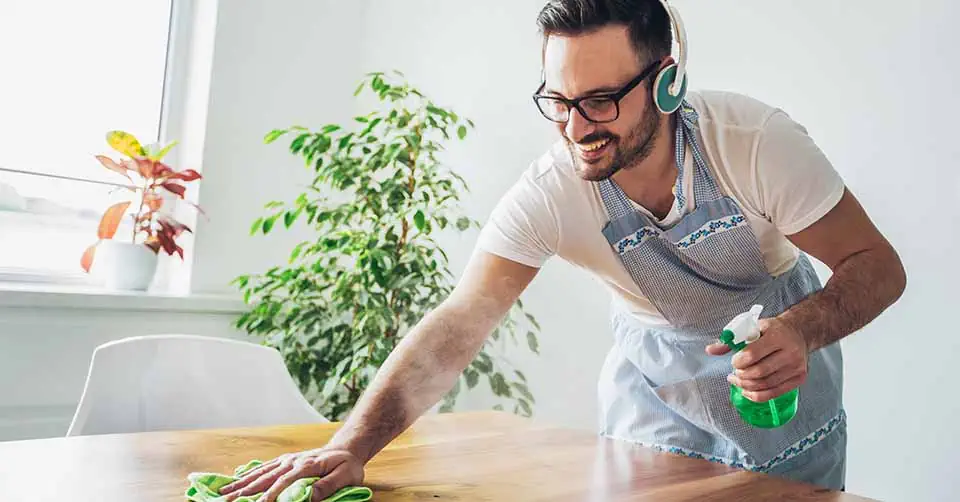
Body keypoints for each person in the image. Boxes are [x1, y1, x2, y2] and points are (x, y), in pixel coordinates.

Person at [220, 0, 906, 499]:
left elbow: (878, 266)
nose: (576, 128)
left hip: (783, 388)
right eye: (558, 100)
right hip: (656, 397)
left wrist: (799, 329)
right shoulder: (552, 190)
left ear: (667, 81)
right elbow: (462, 321)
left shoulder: (755, 143)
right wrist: (350, 447)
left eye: (601, 100)